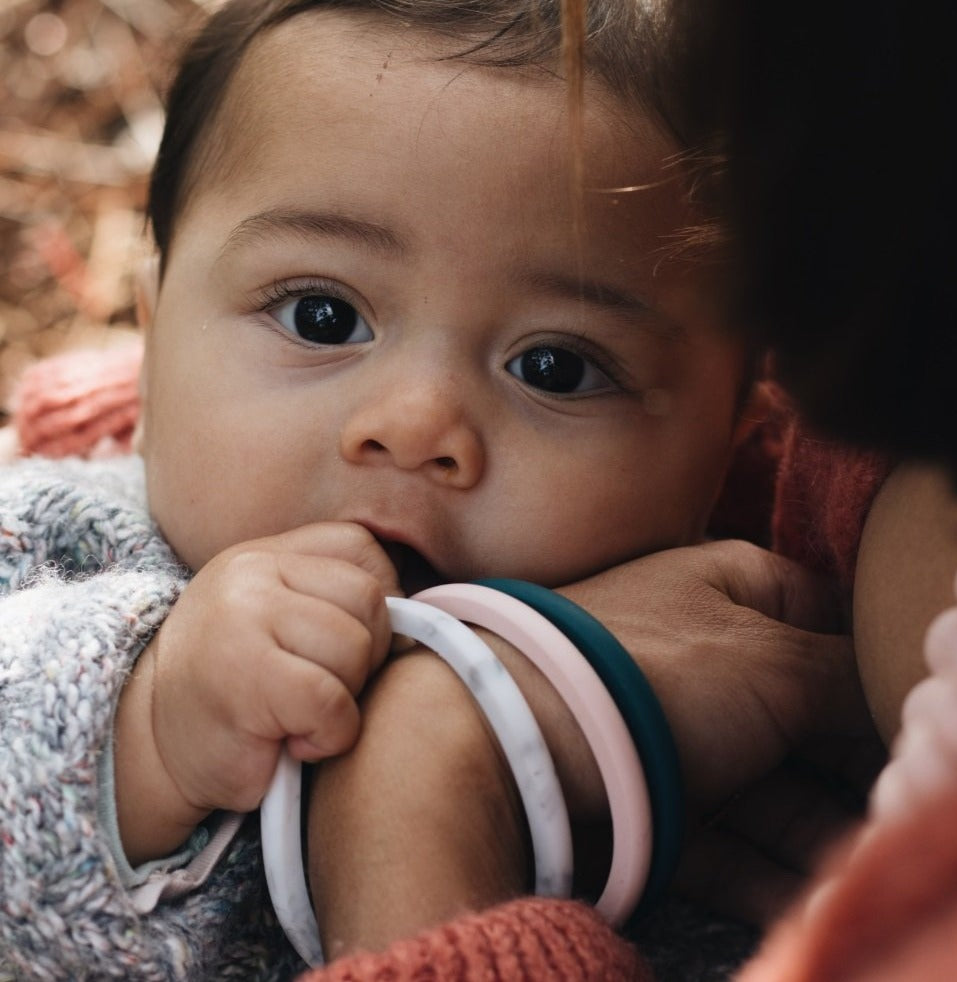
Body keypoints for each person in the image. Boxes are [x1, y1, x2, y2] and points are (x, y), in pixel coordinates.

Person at [1, 1, 868, 979]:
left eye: (555, 369)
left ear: (731, 438)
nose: (416, 426)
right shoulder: (57, 544)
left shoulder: (743, 718)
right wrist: (145, 725)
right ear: (153, 337)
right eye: (322, 315)